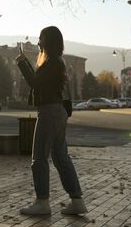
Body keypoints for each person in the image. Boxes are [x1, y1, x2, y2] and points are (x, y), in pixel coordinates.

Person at [15, 26, 87, 215]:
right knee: (60, 157)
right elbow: (38, 81)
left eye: (41, 38)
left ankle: (42, 202)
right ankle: (77, 200)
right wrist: (27, 64)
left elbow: (35, 83)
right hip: (57, 111)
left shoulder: (54, 62)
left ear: (49, 40)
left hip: (49, 111)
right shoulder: (55, 62)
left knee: (39, 157)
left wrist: (22, 63)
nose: (39, 42)